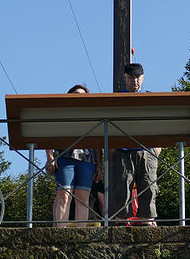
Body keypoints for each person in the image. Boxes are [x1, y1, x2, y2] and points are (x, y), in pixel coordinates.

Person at [109, 63, 160, 225]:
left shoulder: (151, 98)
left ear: (143, 78)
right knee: (122, 187)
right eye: (131, 78)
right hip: (123, 150)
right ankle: (120, 222)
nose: (135, 81)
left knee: (149, 185)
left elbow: (161, 123)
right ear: (125, 78)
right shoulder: (115, 99)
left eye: (137, 77)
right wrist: (112, 149)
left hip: (147, 149)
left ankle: (147, 221)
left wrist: (156, 150)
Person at [45, 84, 101, 227]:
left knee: (83, 198)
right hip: (65, 157)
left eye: (82, 94)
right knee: (64, 194)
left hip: (87, 159)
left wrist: (99, 166)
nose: (79, 96)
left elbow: (97, 143)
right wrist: (50, 157)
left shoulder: (92, 117)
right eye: (76, 93)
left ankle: (80, 232)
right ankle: (60, 231)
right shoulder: (61, 114)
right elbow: (48, 135)